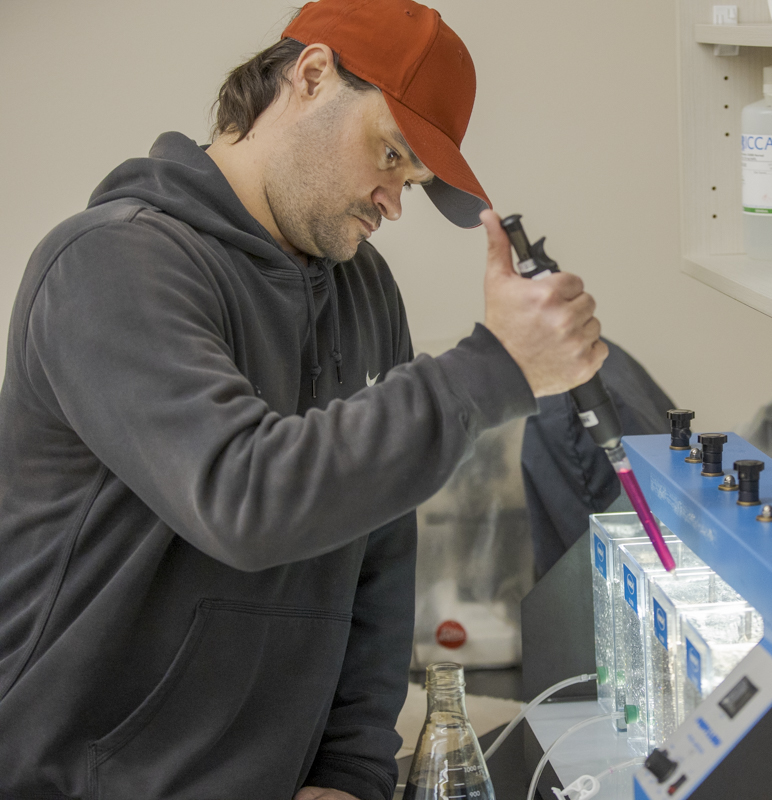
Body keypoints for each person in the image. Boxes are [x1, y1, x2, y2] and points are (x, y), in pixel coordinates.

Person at [0, 1, 606, 798]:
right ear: (311, 76)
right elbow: (246, 497)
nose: (394, 201)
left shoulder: (364, 291)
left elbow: (381, 551)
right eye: (390, 154)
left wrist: (351, 769)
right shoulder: (110, 264)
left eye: (412, 180)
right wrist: (495, 368)